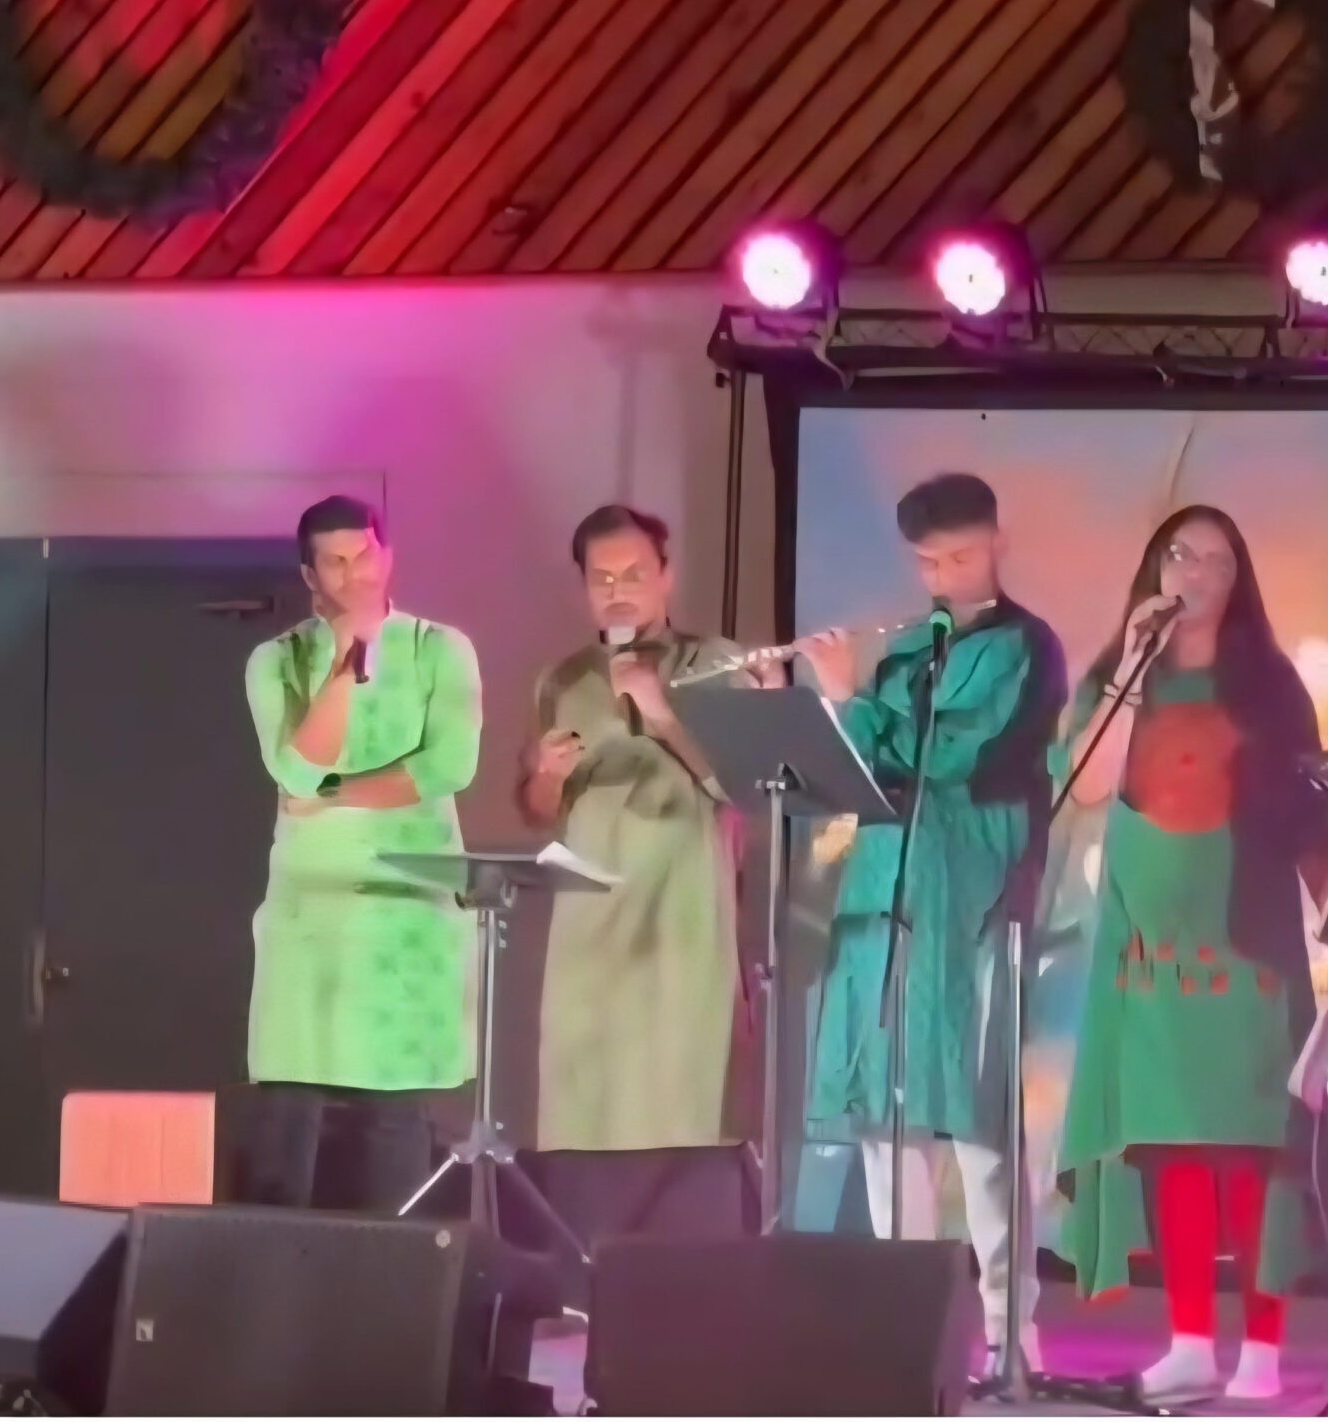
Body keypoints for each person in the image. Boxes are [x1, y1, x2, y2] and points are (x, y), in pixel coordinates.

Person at [1054, 506, 1328, 1406]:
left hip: (1248, 949)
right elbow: (1090, 784)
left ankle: (1261, 1352)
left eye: (1215, 561)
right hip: (1147, 956)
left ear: (1238, 581)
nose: (1192, 572)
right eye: (1178, 555)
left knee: (1255, 1150)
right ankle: (1189, 1340)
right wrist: (1127, 669)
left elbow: (1311, 823)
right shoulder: (1118, 676)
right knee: (1173, 1148)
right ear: (1154, 569)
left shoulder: (1271, 686)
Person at [794, 473, 1063, 1374]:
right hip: (887, 891)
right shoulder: (909, 646)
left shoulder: (1026, 646)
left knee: (980, 1118)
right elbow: (862, 766)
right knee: (886, 1119)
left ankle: (1011, 1331)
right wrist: (811, 711)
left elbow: (948, 753)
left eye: (961, 556)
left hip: (972, 892)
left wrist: (848, 698)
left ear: (997, 542)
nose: (944, 576)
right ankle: (911, 1325)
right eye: (929, 562)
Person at [241, 495, 483, 1213]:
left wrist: (333, 794)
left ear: (388, 556)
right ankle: (278, 1274)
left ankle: (394, 1276)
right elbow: (295, 770)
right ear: (310, 576)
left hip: (408, 919)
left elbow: (449, 766)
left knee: (396, 1126)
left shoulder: (441, 649)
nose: (355, 575)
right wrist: (344, 669)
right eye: (336, 563)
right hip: (310, 924)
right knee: (291, 1119)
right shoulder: (276, 661)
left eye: (365, 556)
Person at [518, 505, 748, 1232]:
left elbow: (738, 783)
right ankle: (586, 1271)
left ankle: (677, 1277)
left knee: (676, 1098)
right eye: (603, 578)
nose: (618, 591)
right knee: (585, 1100)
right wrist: (547, 777)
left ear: (666, 576)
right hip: (589, 921)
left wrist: (662, 712)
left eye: (634, 574)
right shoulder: (563, 679)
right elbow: (537, 810)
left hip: (679, 910)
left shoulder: (715, 663)